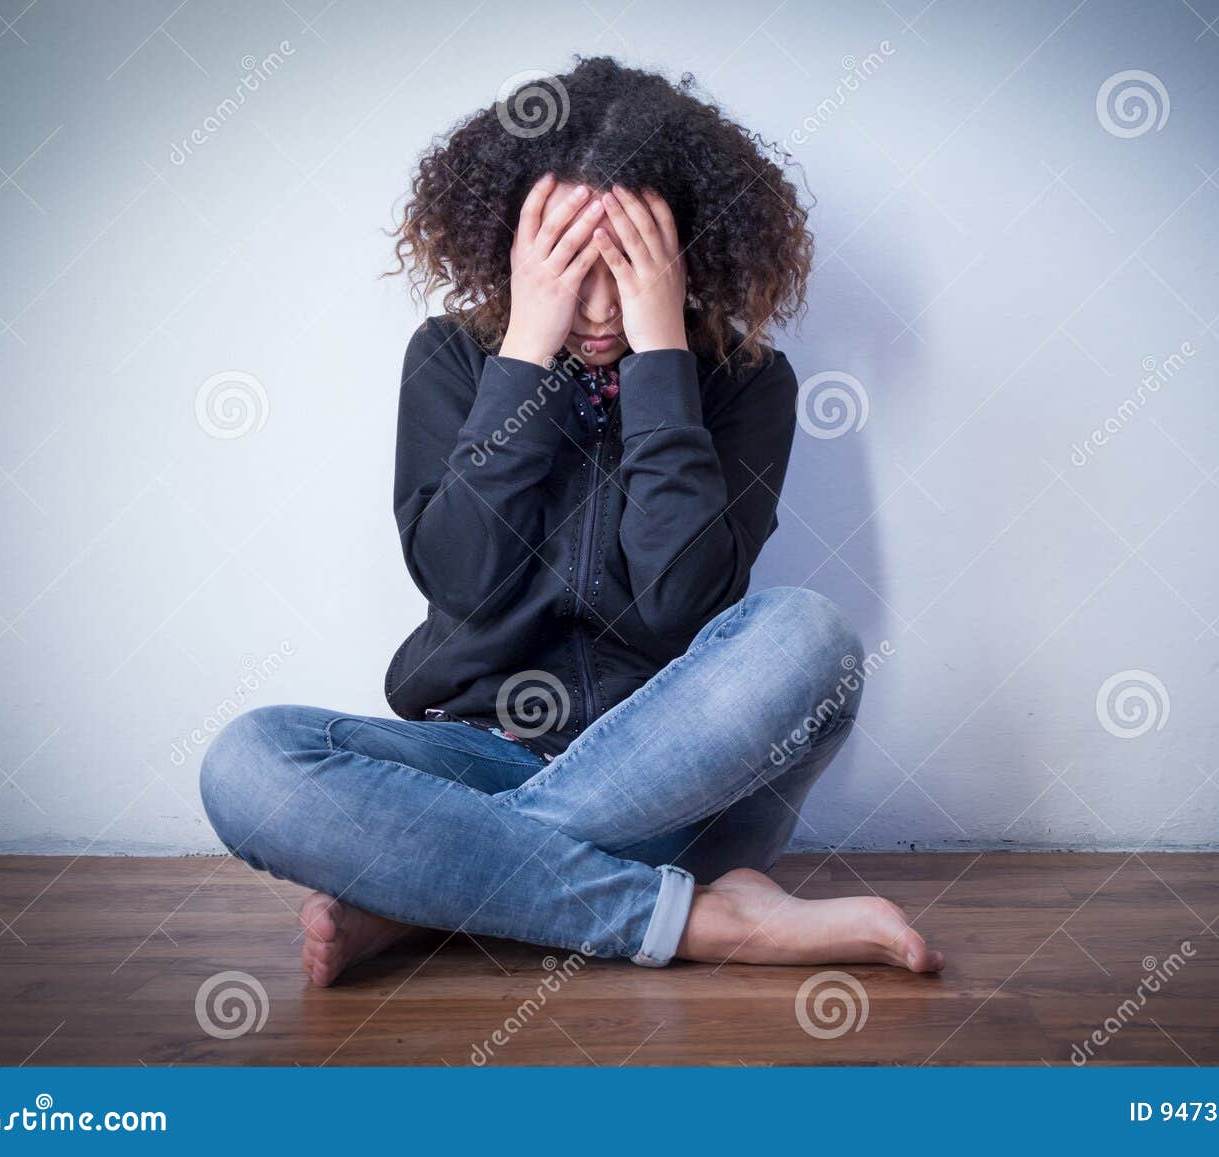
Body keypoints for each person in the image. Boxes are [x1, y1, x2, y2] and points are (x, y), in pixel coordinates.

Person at [200, 57, 943, 986]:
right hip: (472, 756)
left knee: (814, 636)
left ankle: (418, 891)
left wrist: (662, 357)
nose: (596, 311)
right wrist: (521, 356)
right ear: (515, 251)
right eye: (568, 272)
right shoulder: (454, 360)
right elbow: (460, 580)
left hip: (680, 778)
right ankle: (691, 917)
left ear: (686, 260)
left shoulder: (747, 383)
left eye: (625, 273)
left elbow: (679, 608)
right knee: (247, 761)